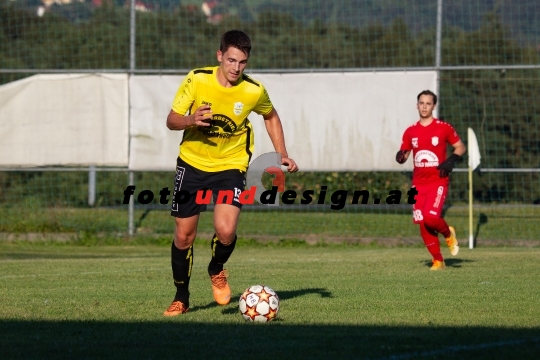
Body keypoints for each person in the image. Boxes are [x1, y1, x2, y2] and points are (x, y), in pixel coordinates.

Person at [163, 30, 298, 316]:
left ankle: (216, 269)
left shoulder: (253, 90)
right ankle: (181, 297)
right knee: (184, 236)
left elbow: (270, 115)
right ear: (220, 56)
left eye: (243, 62)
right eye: (232, 60)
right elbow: (172, 120)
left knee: (226, 230)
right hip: (192, 163)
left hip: (231, 164)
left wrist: (281, 152)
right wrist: (191, 119)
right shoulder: (197, 79)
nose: (236, 68)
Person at [395, 90, 466, 271]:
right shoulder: (411, 131)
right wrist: (401, 156)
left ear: (433, 106)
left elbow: (460, 147)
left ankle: (448, 233)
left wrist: (451, 160)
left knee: (431, 218)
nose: (424, 106)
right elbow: (405, 153)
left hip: (438, 182)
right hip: (418, 184)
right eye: (421, 103)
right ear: (417, 105)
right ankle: (438, 261)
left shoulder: (443, 128)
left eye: (428, 103)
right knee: (422, 222)